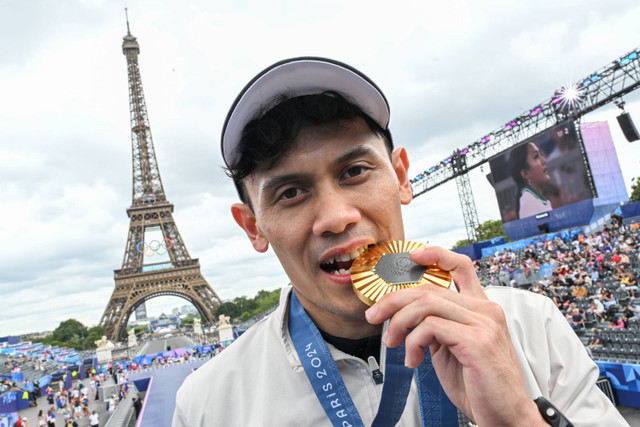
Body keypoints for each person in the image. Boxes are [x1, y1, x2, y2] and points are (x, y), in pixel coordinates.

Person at [173, 57, 627, 426]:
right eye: (291, 193)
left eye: (354, 171)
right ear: (253, 226)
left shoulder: (531, 325)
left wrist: (518, 422)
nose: (335, 217)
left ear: (401, 177)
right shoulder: (208, 404)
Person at [508, 140, 554, 219]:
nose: (544, 160)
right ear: (525, 173)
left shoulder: (533, 199)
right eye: (536, 157)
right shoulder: (528, 201)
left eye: (541, 155)